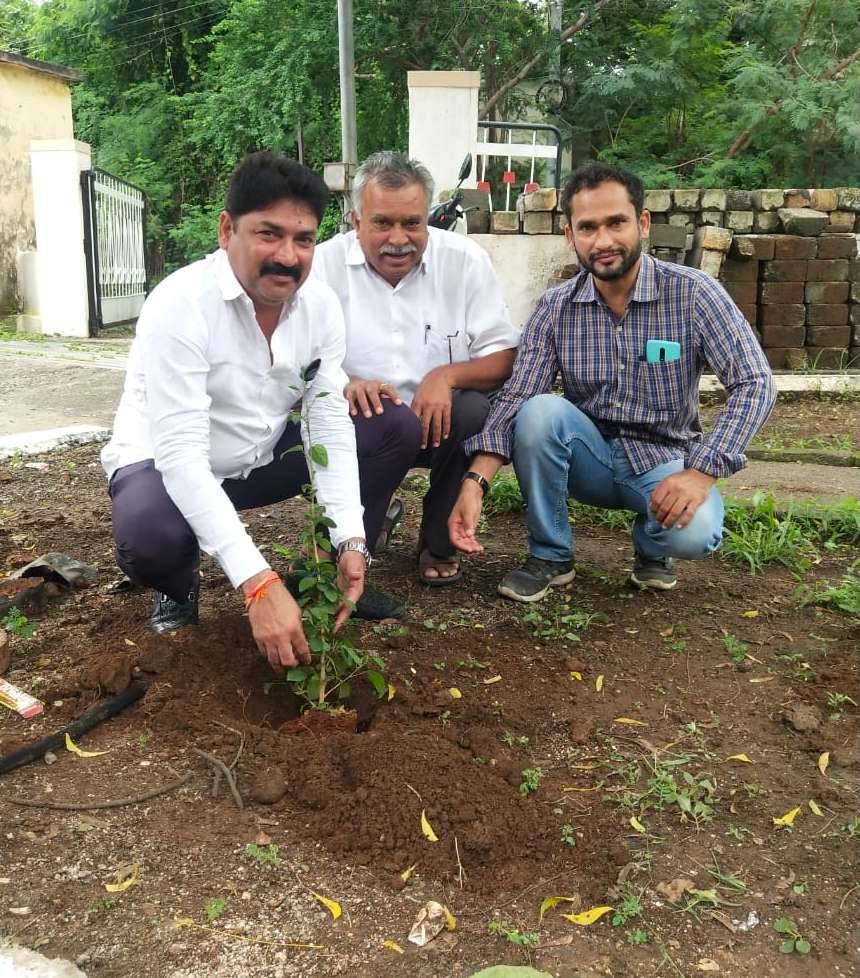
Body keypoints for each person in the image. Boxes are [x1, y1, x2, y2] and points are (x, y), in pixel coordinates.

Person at [101, 152, 416, 673]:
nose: (288, 257)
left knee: (390, 427)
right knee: (151, 538)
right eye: (268, 234)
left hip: (260, 459)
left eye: (304, 240)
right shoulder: (180, 305)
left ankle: (322, 569)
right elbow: (180, 455)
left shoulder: (318, 307)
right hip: (163, 469)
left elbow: (326, 420)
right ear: (228, 230)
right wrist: (255, 581)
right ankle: (178, 585)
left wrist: (350, 536)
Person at [448, 161, 777, 602]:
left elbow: (755, 382)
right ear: (570, 236)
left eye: (616, 223)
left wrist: (700, 473)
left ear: (642, 224)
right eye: (587, 228)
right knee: (538, 411)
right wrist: (476, 482)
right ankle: (550, 554)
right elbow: (518, 395)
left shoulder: (694, 293)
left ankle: (652, 547)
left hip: (665, 461)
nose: (602, 241)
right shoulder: (556, 307)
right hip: (590, 457)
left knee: (695, 534)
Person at [312, 151, 520, 586]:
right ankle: (360, 526)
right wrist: (345, 382)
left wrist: (445, 376)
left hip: (435, 422)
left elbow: (504, 356)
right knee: (359, 417)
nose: (399, 238)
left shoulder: (464, 261)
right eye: (382, 223)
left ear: (428, 218)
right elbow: (297, 357)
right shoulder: (322, 267)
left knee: (472, 410)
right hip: (364, 423)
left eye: (412, 223)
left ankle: (438, 534)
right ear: (355, 220)